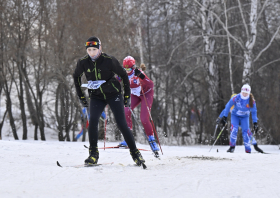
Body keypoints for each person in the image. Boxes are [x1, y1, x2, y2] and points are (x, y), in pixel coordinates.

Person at [73, 36, 145, 166]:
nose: (92, 53)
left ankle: (135, 154)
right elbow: (76, 77)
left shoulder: (109, 60)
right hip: (96, 96)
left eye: (94, 49)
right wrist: (81, 97)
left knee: (121, 123)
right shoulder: (83, 62)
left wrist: (127, 96)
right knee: (93, 121)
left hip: (113, 94)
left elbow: (123, 75)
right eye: (89, 50)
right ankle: (93, 154)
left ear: (100, 48)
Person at [117, 56, 159, 153]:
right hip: (135, 94)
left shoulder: (138, 72)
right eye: (125, 68)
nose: (127, 71)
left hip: (146, 94)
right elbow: (115, 81)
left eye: (129, 69)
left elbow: (151, 84)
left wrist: (142, 76)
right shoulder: (123, 74)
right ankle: (128, 137)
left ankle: (152, 140)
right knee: (126, 111)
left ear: (133, 67)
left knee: (144, 118)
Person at [219, 84, 260, 153]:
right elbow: (228, 106)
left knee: (246, 133)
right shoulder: (236, 97)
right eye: (243, 92)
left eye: (246, 93)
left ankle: (248, 149)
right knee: (234, 130)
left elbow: (254, 112)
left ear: (249, 93)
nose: (244, 94)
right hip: (235, 116)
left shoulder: (251, 101)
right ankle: (232, 147)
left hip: (245, 117)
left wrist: (255, 122)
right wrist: (224, 117)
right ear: (241, 91)